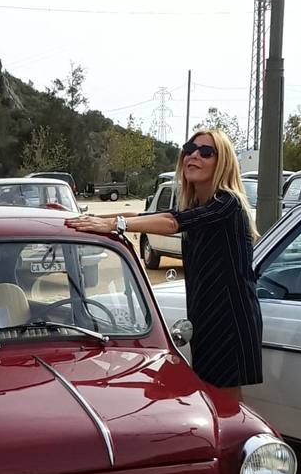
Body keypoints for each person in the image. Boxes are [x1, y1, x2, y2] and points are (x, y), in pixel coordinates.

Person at [65, 129, 262, 401]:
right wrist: (80, 218)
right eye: (189, 148)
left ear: (223, 162)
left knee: (224, 403)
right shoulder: (198, 204)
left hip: (230, 320)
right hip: (204, 316)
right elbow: (145, 215)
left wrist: (116, 225)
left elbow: (170, 223)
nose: (193, 155)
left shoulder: (228, 204)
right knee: (210, 399)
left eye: (206, 152)